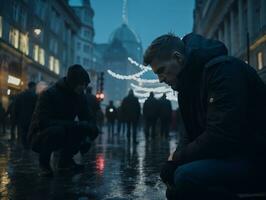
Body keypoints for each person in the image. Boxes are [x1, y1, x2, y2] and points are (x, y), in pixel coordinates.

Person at [143, 33, 266, 199]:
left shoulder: (224, 71)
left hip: (254, 156)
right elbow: (189, 132)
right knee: (173, 179)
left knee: (186, 177)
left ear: (177, 58)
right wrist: (174, 162)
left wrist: (179, 157)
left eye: (161, 71)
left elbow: (221, 135)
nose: (160, 80)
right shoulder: (185, 85)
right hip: (229, 155)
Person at [28, 64, 99, 177]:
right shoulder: (49, 94)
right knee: (58, 131)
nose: (84, 88)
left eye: (86, 85)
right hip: (40, 134)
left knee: (80, 127)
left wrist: (89, 134)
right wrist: (75, 125)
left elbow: (88, 117)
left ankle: (65, 162)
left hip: (63, 130)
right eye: (82, 84)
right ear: (73, 83)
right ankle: (44, 163)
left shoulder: (79, 96)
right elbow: (43, 122)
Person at [14, 81, 37, 148]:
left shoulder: (21, 95)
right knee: (29, 133)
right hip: (31, 119)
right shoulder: (34, 96)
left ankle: (24, 146)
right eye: (35, 87)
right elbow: (36, 108)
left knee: (23, 133)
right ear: (32, 87)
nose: (35, 89)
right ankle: (27, 146)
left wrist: (16, 117)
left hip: (21, 118)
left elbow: (16, 107)